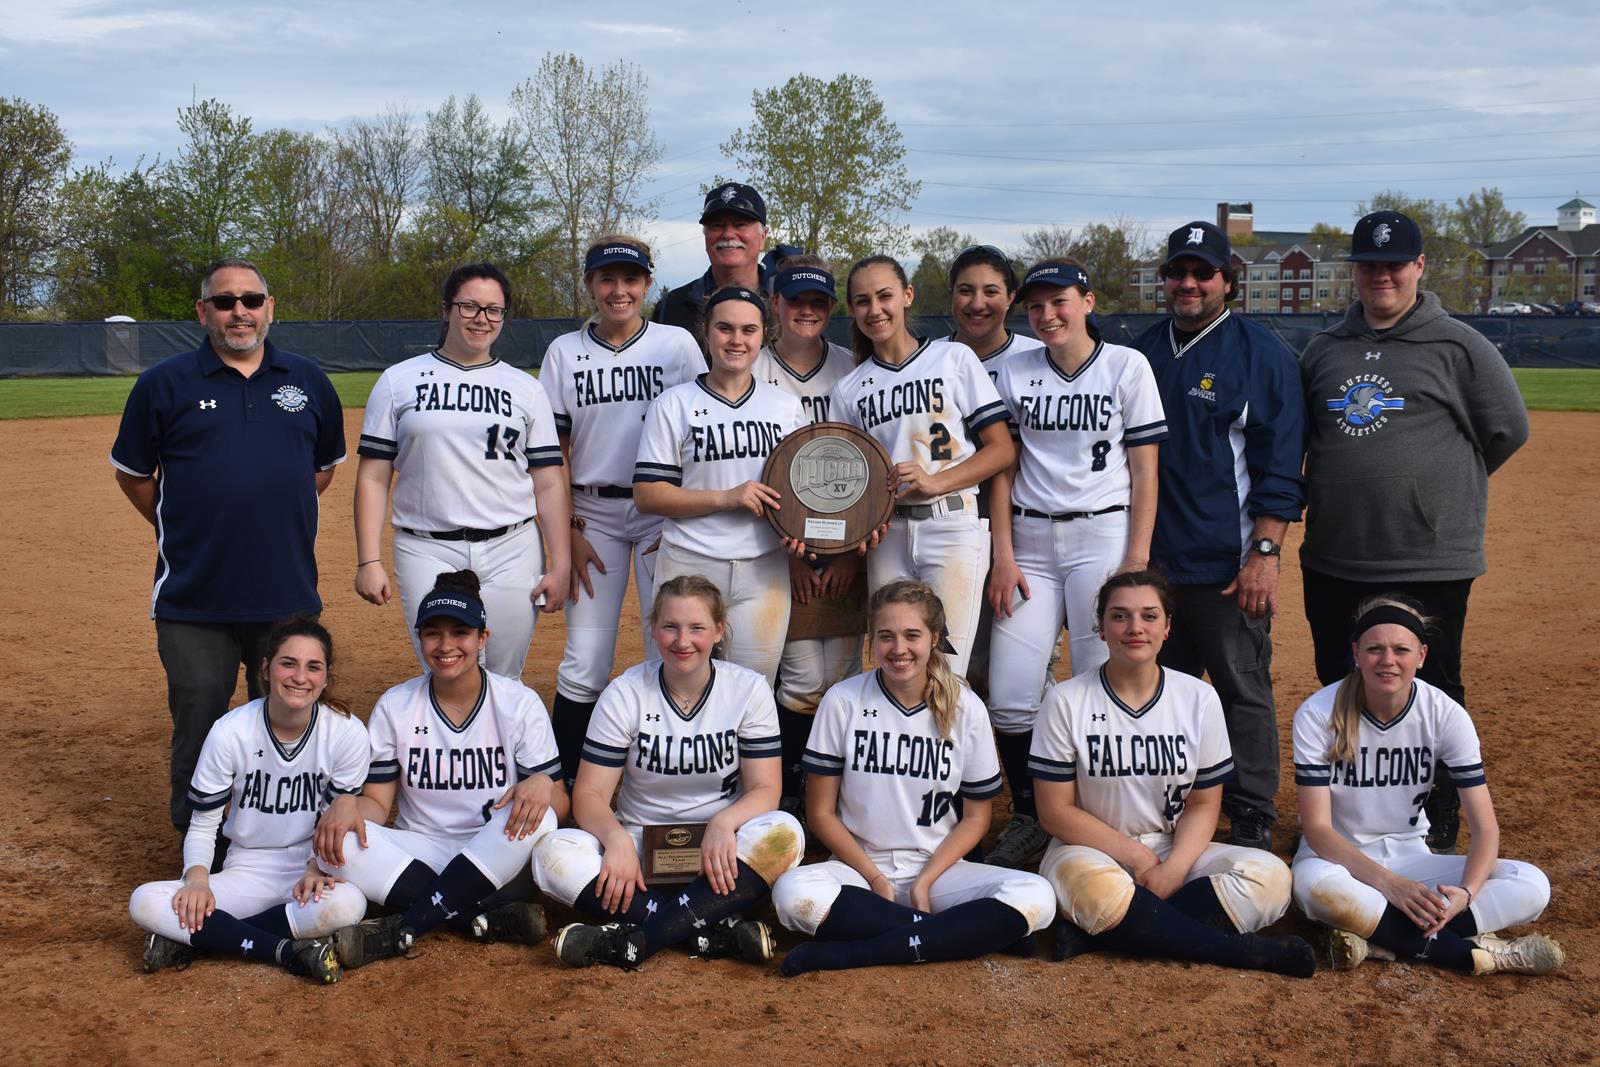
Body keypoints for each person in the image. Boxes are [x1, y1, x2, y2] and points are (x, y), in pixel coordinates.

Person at [1299, 210, 1530, 853]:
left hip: (1429, 558)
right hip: (1337, 554)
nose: (1381, 276)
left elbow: (1507, 429)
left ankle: (1438, 817)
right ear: (1355, 272)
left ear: (1418, 267)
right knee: (1341, 683)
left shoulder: (1458, 345)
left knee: (1433, 689)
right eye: (1369, 266)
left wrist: (1438, 493)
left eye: (1394, 264)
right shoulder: (1323, 350)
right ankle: (1348, 818)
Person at [110, 258, 346, 835]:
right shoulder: (163, 384)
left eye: (251, 299)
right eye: (224, 301)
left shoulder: (307, 380)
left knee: (292, 720)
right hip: (196, 598)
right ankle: (201, 849)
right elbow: (135, 475)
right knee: (200, 721)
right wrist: (184, 525)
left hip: (286, 593)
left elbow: (321, 470)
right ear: (203, 312)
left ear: (270, 307)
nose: (238, 311)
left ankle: (286, 836)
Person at [1031, 570, 1314, 978]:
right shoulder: (1066, 700)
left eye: (1149, 616)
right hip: (1090, 849)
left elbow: (1204, 804)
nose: (1135, 628)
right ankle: (1239, 952)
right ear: (1100, 628)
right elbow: (1054, 812)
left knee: (1271, 878)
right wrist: (1139, 858)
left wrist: (1175, 868)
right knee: (1084, 884)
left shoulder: (1197, 697)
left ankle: (1107, 934)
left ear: (1167, 628)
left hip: (1174, 846)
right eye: (1120, 616)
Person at [771, 581, 1055, 975]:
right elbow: (820, 814)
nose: (898, 648)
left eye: (912, 635)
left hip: (938, 872)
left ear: (935, 638)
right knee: (791, 893)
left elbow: (976, 818)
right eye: (886, 636)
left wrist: (925, 882)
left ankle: (847, 954)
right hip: (859, 870)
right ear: (872, 637)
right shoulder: (844, 700)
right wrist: (873, 877)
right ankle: (964, 934)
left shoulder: (965, 707)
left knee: (1038, 895)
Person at [984, 260, 1167, 870]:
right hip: (1031, 542)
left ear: (1087, 301)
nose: (1047, 316)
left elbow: (1145, 470)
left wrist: (1134, 562)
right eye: (1035, 307)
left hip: (1102, 535)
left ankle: (1098, 818)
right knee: (1010, 697)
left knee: (1101, 681)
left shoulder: (1125, 365)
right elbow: (1002, 466)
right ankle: (1037, 814)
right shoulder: (1016, 367)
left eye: (1059, 301)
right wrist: (1002, 555)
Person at [1132, 221, 1306, 852]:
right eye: (1178, 272)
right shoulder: (1141, 352)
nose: (1188, 283)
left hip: (1227, 562)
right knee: (1158, 693)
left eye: (1202, 272)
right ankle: (1168, 800)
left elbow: (1281, 466)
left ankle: (1252, 808)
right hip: (1152, 564)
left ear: (1228, 281)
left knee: (1241, 687)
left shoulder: (1262, 355)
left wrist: (1264, 552)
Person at [532, 575, 804, 969]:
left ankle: (640, 934)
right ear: (653, 629)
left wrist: (725, 823)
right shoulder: (625, 693)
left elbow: (765, 788)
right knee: (551, 855)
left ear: (718, 631)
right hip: (639, 849)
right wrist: (616, 839)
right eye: (670, 627)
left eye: (697, 628)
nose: (683, 641)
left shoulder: (747, 689)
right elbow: (589, 795)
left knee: (786, 833)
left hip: (721, 853)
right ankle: (709, 929)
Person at [1291, 595, 1561, 975]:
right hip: (1339, 862)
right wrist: (1389, 885)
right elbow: (1317, 830)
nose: (1388, 660)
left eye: (1401, 649)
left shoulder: (1445, 714)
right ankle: (1471, 954)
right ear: (1356, 653)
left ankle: (1380, 938)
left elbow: (1485, 827)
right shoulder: (1319, 712)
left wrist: (1464, 896)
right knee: (1311, 887)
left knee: (1532, 883)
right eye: (1375, 649)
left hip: (1412, 858)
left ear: (1421, 655)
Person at [313, 571, 569, 968]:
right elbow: (378, 804)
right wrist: (349, 806)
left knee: (544, 819)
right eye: (433, 633)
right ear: (420, 639)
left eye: (460, 632)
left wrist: (541, 784)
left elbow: (561, 804)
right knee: (336, 842)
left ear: (482, 638)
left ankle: (406, 927)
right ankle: (481, 920)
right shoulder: (395, 705)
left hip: (496, 853)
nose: (446, 645)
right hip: (420, 853)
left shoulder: (519, 703)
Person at [540, 236, 706, 784]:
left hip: (663, 512)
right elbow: (552, 453)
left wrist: (681, 519)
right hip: (593, 514)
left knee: (669, 651)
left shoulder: (677, 345)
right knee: (585, 662)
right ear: (589, 284)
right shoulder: (565, 352)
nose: (619, 290)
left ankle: (659, 776)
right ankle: (566, 780)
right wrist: (567, 528)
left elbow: (702, 431)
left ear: (646, 284)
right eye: (606, 279)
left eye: (630, 279)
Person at [354, 262, 571, 679]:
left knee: (505, 674)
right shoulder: (399, 381)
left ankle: (499, 746)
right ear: (447, 310)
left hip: (513, 546)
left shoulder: (525, 388)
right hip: (426, 546)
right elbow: (373, 477)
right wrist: (368, 560)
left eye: (494, 310)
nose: (481, 319)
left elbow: (548, 482)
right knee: (444, 667)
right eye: (469, 306)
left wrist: (560, 563)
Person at [129, 618, 368, 984]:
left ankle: (206, 938)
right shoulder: (231, 731)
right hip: (246, 870)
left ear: (326, 675)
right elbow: (203, 824)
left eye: (313, 667)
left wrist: (317, 869)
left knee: (348, 905)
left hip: (309, 870)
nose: (299, 677)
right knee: (144, 900)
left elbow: (337, 822)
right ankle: (285, 950)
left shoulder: (346, 732)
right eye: (288, 663)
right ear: (266, 667)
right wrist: (196, 880)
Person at [829, 256, 1016, 678]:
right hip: (886, 536)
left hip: (951, 524)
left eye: (884, 296)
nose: (874, 309)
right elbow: (852, 481)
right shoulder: (849, 389)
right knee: (896, 664)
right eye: (862, 301)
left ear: (907, 296)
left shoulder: (954, 359)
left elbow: (1002, 450)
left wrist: (936, 481)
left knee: (945, 669)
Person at [634, 286, 805, 684]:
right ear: (706, 333)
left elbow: (800, 492)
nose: (737, 340)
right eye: (725, 328)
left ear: (765, 335)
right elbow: (648, 495)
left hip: (764, 567)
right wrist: (728, 498)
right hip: (690, 561)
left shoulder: (784, 407)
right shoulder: (674, 404)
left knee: (751, 687)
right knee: (676, 680)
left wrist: (806, 535)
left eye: (749, 330)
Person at [750, 255, 866, 816]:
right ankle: (793, 786)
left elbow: (870, 466)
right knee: (799, 676)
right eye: (795, 300)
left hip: (849, 546)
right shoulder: (755, 367)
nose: (806, 311)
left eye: (818, 302)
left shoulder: (850, 368)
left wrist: (852, 554)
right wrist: (788, 556)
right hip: (779, 546)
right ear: (775, 303)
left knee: (841, 671)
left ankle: (837, 788)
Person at [945, 245, 1045, 708]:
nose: (977, 302)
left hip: (1026, 528)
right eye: (966, 291)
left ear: (1011, 298)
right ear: (951, 298)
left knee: (1023, 660)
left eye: (991, 291)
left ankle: (1029, 775)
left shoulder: (1038, 356)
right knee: (960, 656)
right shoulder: (932, 360)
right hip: (948, 526)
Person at [651, 182, 770, 335]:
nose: (728, 234)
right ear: (705, 235)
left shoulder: (787, 304)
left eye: (740, 224)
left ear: (763, 236)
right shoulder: (671, 307)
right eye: (717, 225)